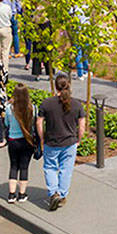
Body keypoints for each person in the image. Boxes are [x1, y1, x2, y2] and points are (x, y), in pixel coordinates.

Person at [37, 73, 86, 211]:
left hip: (51, 142)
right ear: (69, 85)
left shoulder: (46, 103)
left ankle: (53, 193)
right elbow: (82, 126)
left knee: (50, 167)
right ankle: (62, 194)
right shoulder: (77, 104)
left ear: (55, 86)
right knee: (66, 170)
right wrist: (78, 139)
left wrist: (42, 139)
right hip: (69, 142)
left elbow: (39, 123)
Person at [4, 83, 37, 203]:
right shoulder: (33, 108)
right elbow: (35, 124)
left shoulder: (9, 108)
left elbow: (6, 123)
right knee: (24, 167)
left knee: (13, 166)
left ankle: (11, 194)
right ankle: (22, 194)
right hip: (27, 141)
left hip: (13, 141)